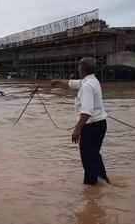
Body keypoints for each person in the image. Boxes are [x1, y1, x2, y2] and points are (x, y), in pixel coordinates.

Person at [50, 57, 109, 185]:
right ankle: (103, 182)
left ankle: (91, 187)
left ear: (82, 69)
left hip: (91, 127)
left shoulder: (87, 86)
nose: (78, 69)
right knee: (94, 156)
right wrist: (58, 82)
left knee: (88, 159)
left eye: (79, 67)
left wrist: (77, 129)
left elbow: (87, 112)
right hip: (100, 124)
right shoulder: (92, 81)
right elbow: (73, 83)